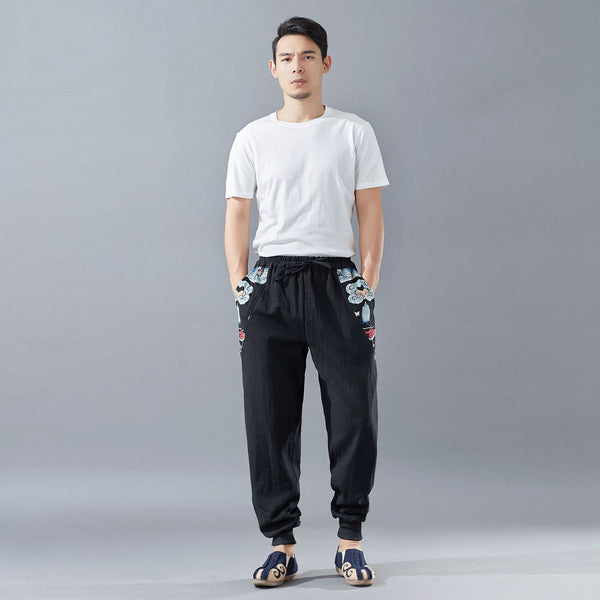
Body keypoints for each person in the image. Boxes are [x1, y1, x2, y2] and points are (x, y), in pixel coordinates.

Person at [224, 15, 389, 588]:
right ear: (274, 69)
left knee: (354, 412)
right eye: (288, 58)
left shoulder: (353, 132)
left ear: (325, 63)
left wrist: (365, 285)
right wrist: (241, 287)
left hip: (336, 282)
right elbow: (237, 214)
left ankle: (350, 539)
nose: (298, 66)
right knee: (268, 417)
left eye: (308, 56)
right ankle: (282, 544)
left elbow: (370, 212)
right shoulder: (252, 138)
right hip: (270, 285)